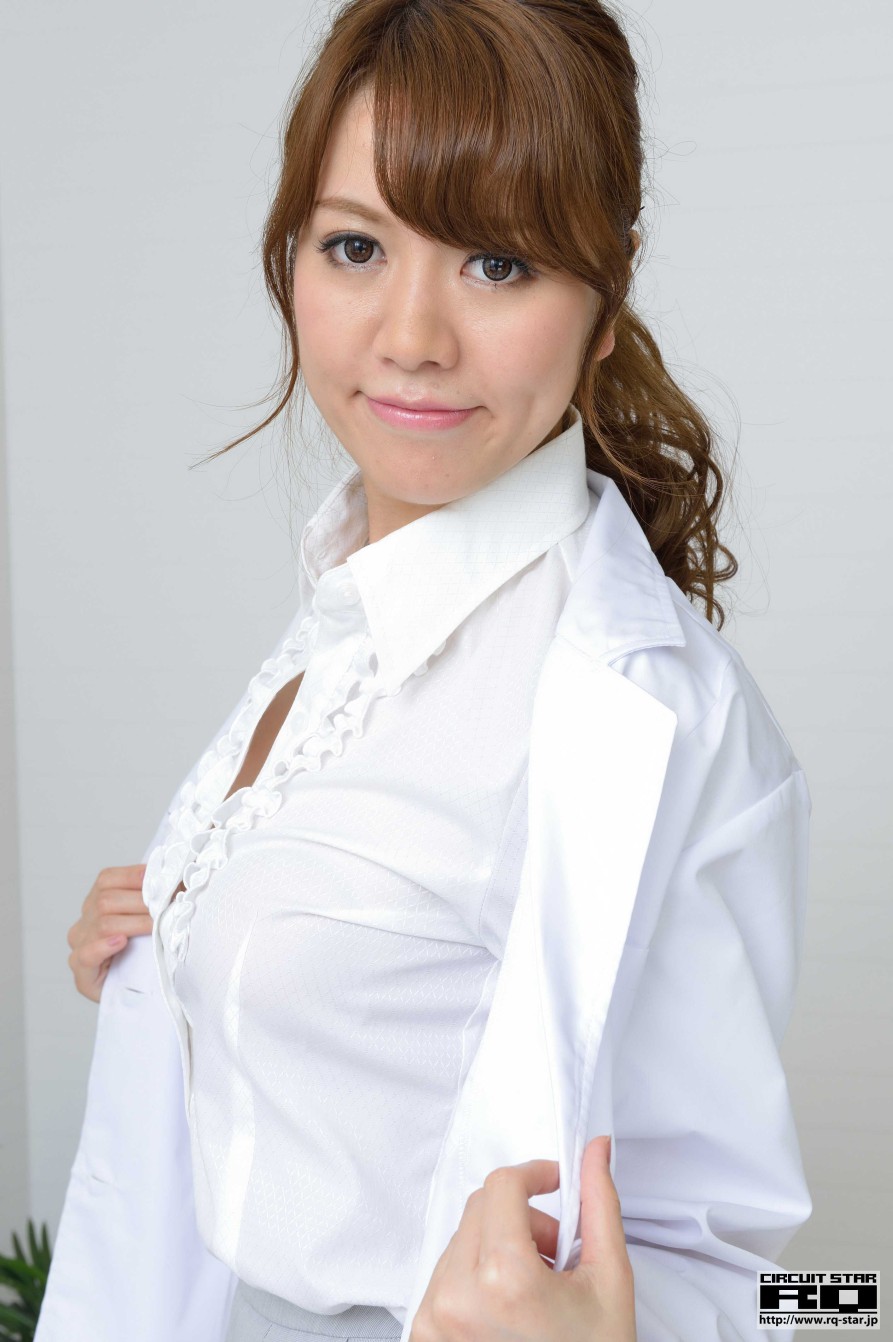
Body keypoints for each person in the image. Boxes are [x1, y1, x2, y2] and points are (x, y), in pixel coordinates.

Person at [43, 1, 812, 1340]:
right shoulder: (348, 606)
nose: (411, 334)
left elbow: (816, 1299)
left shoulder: (648, 716)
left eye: (498, 264)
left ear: (606, 301)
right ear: (291, 256)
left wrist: (612, 1332)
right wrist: (178, 934)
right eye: (356, 246)